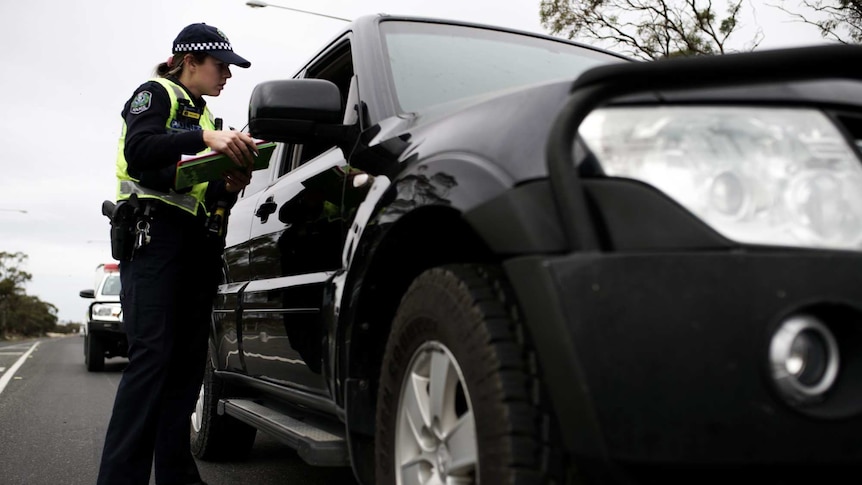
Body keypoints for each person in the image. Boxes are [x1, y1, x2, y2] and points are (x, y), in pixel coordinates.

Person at [97, 23, 258, 485]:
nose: (227, 74)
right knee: (151, 360)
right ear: (190, 60)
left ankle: (175, 476)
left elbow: (193, 184)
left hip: (195, 245)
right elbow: (140, 149)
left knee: (187, 365)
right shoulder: (157, 93)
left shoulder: (206, 115)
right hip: (154, 239)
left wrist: (228, 184)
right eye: (220, 65)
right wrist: (204, 142)